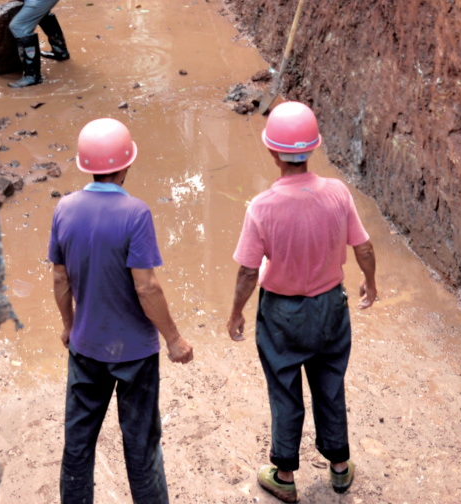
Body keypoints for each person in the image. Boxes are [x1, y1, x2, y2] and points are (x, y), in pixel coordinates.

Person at [226, 102, 377, 502]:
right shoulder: (338, 194)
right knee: (330, 384)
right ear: (312, 148)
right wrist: (371, 283)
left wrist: (237, 312)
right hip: (331, 306)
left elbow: (246, 271)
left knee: (285, 388)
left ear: (272, 153)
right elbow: (363, 245)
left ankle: (285, 475)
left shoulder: (262, 207)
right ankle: (340, 468)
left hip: (282, 313)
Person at [49, 118, 196, 504]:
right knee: (141, 448)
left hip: (87, 349)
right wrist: (174, 339)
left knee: (78, 447)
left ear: (86, 165)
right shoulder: (136, 214)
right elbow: (146, 287)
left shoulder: (64, 209)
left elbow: (60, 280)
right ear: (126, 164)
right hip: (136, 356)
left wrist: (69, 325)